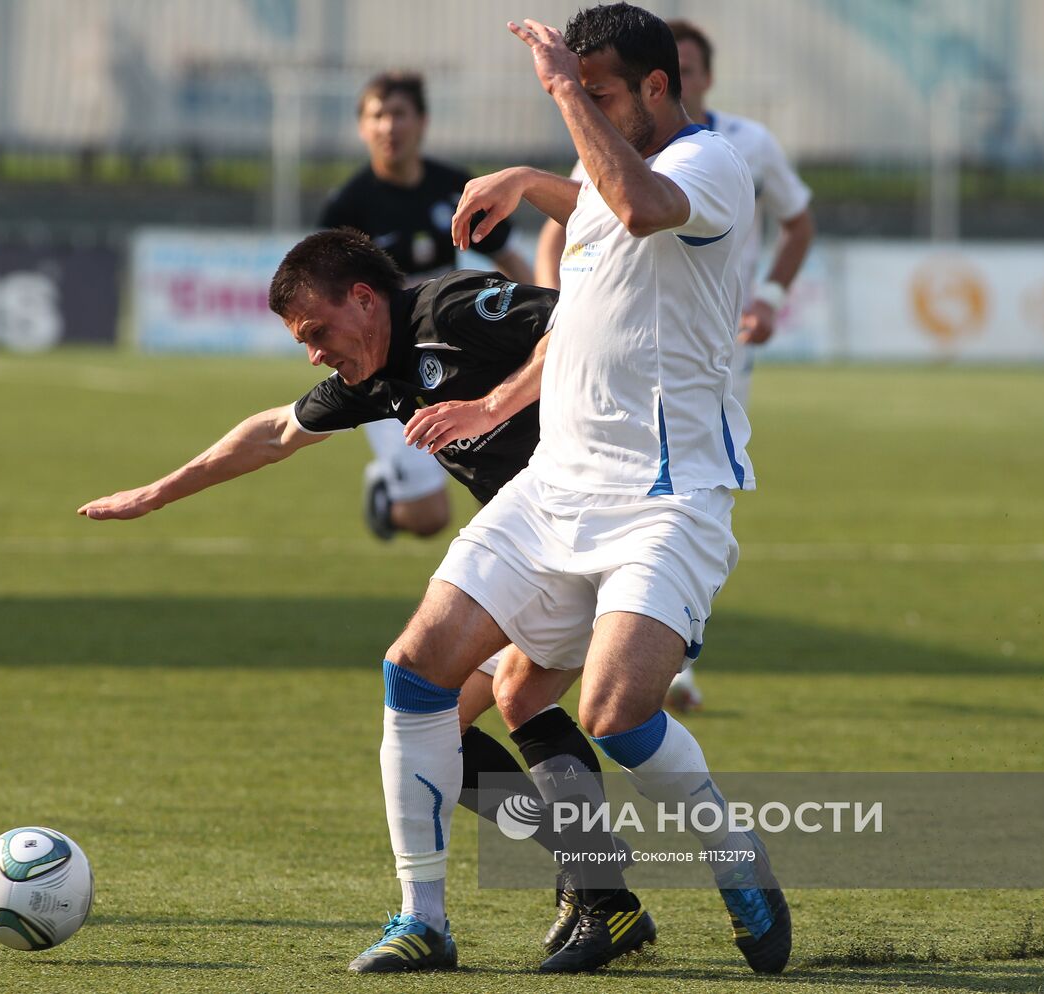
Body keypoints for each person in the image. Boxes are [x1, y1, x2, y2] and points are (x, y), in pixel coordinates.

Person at [353, 4, 790, 976]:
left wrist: (557, 92)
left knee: (615, 714)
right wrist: (492, 402)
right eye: (576, 92)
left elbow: (637, 203)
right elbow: (583, 278)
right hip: (555, 488)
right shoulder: (604, 175)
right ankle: (422, 917)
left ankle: (733, 856)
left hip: (667, 495)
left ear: (656, 87)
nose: (580, 108)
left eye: (599, 94)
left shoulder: (710, 161)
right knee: (416, 672)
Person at [76, 227, 638, 963]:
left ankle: (598, 892)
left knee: (502, 697)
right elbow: (275, 431)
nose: (313, 353)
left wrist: (494, 403)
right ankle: (595, 880)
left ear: (365, 299)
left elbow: (581, 322)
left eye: (317, 331)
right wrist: (159, 493)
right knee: (437, 729)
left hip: (598, 532)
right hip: (525, 558)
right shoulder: (375, 377)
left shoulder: (457, 309)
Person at [535, 17, 815, 714]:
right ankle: (622, 643)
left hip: (707, 349)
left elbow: (796, 219)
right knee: (463, 679)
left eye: (689, 66)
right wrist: (559, 313)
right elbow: (579, 219)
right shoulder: (610, 137)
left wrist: (772, 297)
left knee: (682, 486)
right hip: (607, 383)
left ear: (682, 81)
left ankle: (666, 646)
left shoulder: (734, 149)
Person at [320, 71, 534, 542]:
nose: (389, 126)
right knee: (428, 519)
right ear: (362, 127)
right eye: (377, 115)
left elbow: (508, 255)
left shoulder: (455, 187)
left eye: (399, 114)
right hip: (385, 366)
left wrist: (541, 314)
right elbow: (321, 299)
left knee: (515, 470)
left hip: (453, 349)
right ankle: (384, 491)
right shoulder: (347, 208)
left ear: (422, 122)